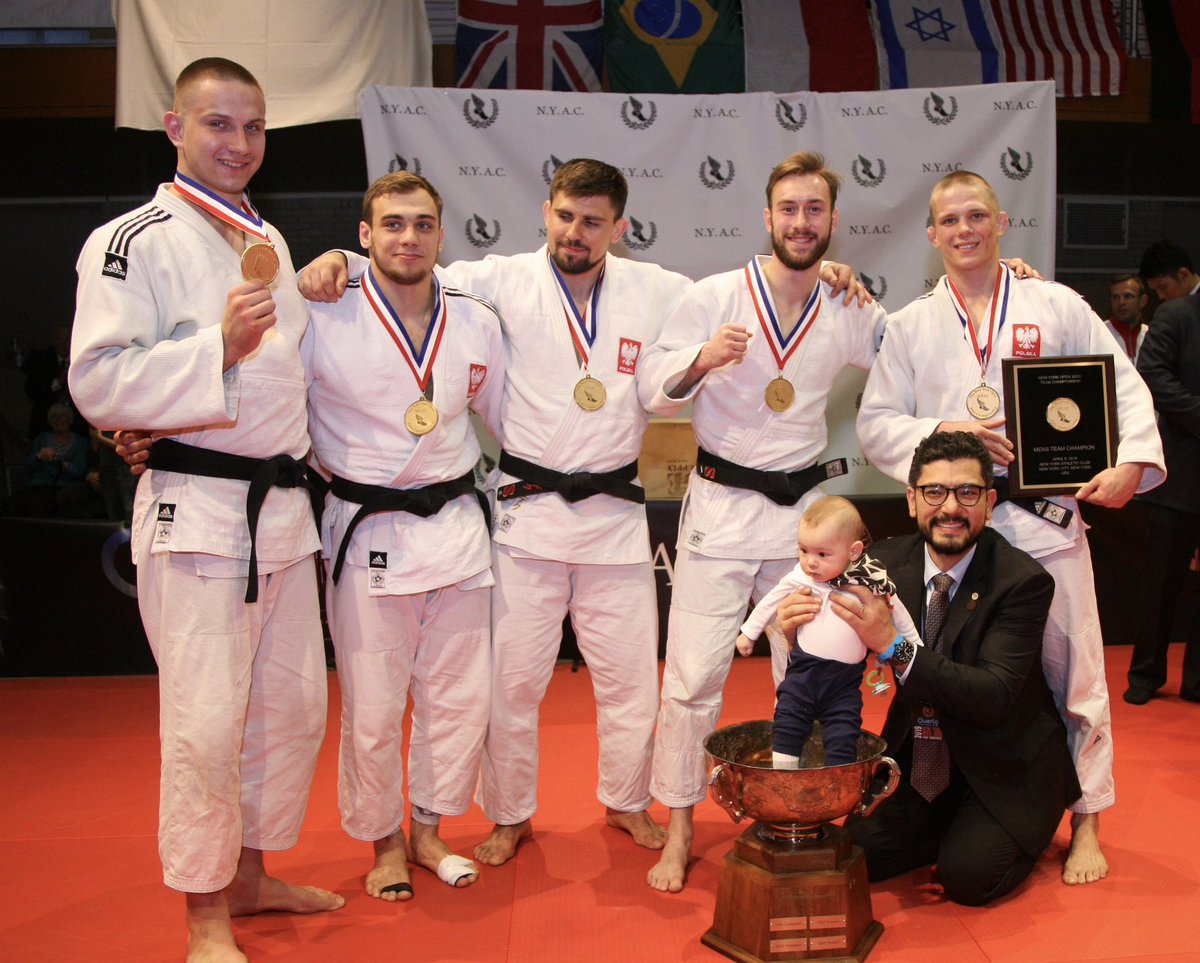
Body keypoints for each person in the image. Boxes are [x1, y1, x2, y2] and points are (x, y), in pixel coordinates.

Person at [299, 159, 693, 866]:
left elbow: (735, 305)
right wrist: (338, 257)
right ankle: (510, 814)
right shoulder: (493, 281)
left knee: (633, 678)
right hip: (527, 512)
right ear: (545, 213)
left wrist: (833, 277)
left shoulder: (658, 288)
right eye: (566, 216)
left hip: (614, 513)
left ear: (619, 227)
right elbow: (401, 268)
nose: (576, 231)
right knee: (511, 684)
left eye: (594, 220)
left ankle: (628, 800)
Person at [68, 58, 342, 962]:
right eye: (218, 124)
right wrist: (210, 354)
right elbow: (98, 379)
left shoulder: (268, 238)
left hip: (281, 512)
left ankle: (251, 874)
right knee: (205, 719)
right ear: (175, 127)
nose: (238, 143)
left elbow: (286, 385)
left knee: (291, 707)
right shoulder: (132, 239)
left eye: (253, 127)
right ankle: (204, 914)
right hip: (196, 508)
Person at [857, 170, 1164, 887]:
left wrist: (1133, 461)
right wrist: (946, 428)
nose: (963, 230)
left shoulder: (1055, 304)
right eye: (949, 221)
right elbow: (875, 426)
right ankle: (953, 801)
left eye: (976, 216)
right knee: (949, 674)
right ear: (931, 236)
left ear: (999, 221)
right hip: (954, 528)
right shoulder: (909, 326)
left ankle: (1087, 817)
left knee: (1075, 674)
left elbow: (1121, 385)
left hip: (1044, 519)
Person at [638, 152, 886, 893]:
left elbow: (912, 353)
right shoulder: (713, 296)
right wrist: (702, 359)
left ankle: (804, 815)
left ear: (833, 222)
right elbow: (654, 390)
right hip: (720, 506)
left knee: (811, 673)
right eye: (789, 208)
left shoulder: (847, 306)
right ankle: (679, 824)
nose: (801, 222)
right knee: (690, 678)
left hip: (804, 525)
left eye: (815, 210)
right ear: (767, 215)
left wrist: (1012, 285)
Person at [303, 171, 504, 898]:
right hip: (368, 530)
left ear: (441, 236)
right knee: (375, 702)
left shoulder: (475, 317)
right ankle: (383, 840)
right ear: (365, 236)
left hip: (455, 526)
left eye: (421, 224)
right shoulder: (322, 312)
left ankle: (427, 830)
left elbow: (505, 414)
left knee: (455, 699)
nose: (407, 237)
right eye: (391, 224)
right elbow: (274, 405)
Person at [779, 431, 1080, 906]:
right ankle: (941, 824)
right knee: (859, 854)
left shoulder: (1022, 581)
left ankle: (994, 828)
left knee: (969, 879)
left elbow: (992, 695)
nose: (951, 508)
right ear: (912, 501)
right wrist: (797, 634)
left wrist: (892, 645)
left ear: (990, 501)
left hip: (1003, 764)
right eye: (934, 491)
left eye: (968, 492)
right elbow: (833, 664)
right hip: (918, 757)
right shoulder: (879, 565)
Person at [734, 495, 921, 768]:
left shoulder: (871, 580)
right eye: (803, 550)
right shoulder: (800, 575)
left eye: (822, 554)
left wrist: (916, 649)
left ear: (854, 552)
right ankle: (783, 777)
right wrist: (749, 633)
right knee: (788, 719)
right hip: (803, 672)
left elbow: (899, 613)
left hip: (846, 682)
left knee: (844, 731)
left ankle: (837, 781)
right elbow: (770, 601)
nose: (810, 562)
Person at [1124, 288, 1200, 704]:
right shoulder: (1177, 315)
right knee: (1161, 585)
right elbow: (1153, 375)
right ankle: (1145, 675)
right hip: (1181, 476)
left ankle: (1197, 681)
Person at [1104, 274, 1147, 364]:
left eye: (1128, 296)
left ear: (1143, 301)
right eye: (1116, 297)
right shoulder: (1101, 332)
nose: (1121, 302)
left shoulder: (1151, 334)